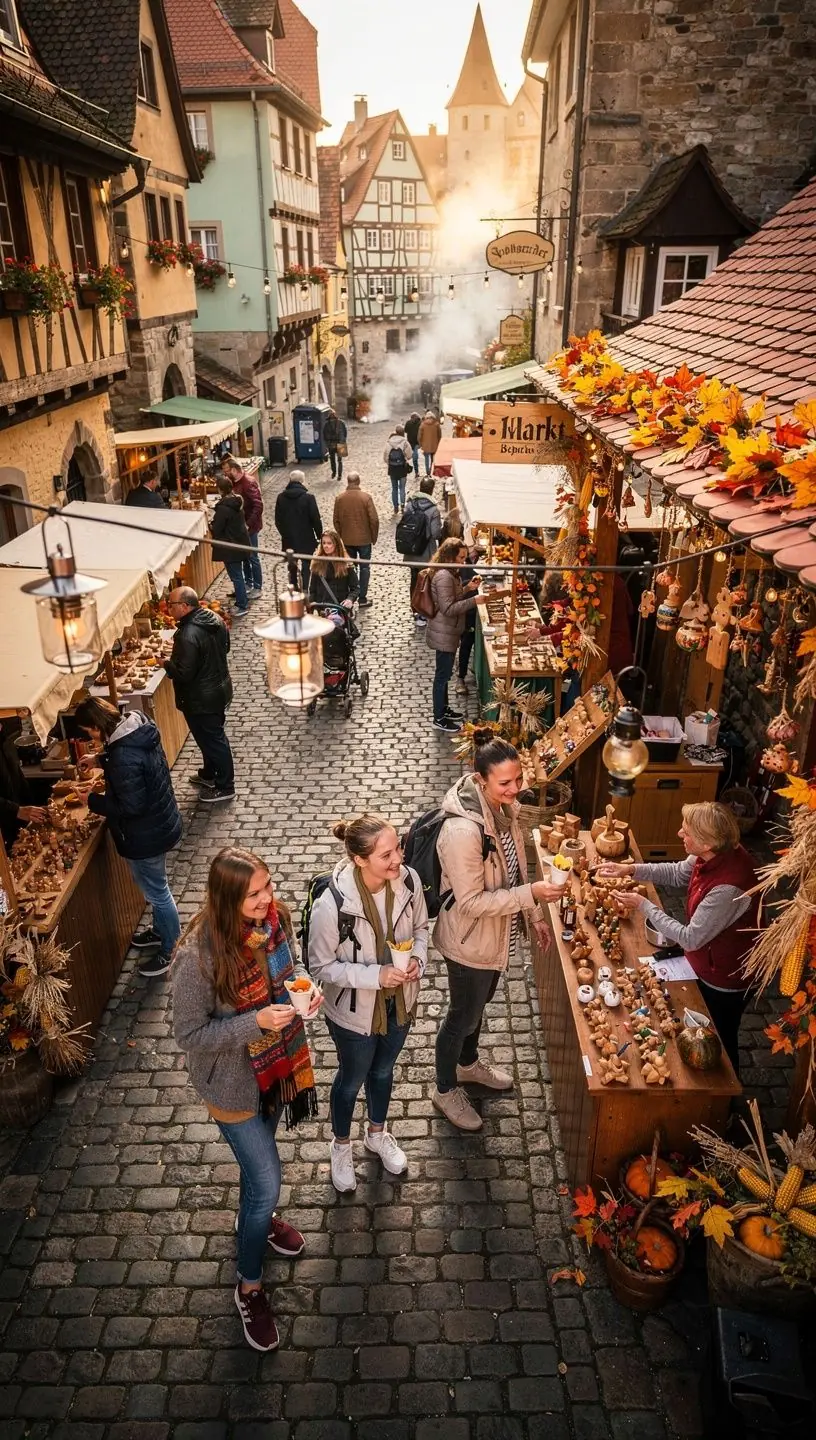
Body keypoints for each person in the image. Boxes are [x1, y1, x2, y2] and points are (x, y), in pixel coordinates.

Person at [172, 846, 321, 1352]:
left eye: (269, 887)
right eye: (254, 894)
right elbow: (190, 1035)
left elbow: (291, 971)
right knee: (267, 1178)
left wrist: (306, 993)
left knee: (256, 1183)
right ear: (227, 897)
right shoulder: (198, 957)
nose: (267, 899)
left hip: (275, 1070)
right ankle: (249, 1286)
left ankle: (253, 1220)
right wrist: (253, 1022)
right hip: (232, 1085)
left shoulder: (275, 921)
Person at [432, 738, 561, 1130]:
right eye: (505, 782)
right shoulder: (462, 832)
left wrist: (534, 914)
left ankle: (467, 1065)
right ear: (480, 780)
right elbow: (470, 902)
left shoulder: (504, 810)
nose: (516, 787)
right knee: (462, 1016)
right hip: (469, 939)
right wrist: (532, 895)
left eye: (518, 778)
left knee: (479, 1006)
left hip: (494, 936)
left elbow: (516, 869)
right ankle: (444, 1088)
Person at [308, 815, 428, 1192]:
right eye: (386, 854)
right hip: (353, 1014)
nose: (398, 860)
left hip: (400, 1003)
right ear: (360, 860)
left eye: (398, 849)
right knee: (351, 1080)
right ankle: (341, 1145)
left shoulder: (409, 881)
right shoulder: (333, 904)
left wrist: (418, 962)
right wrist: (376, 977)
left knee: (383, 1072)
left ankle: (377, 1134)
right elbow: (321, 966)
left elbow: (423, 928)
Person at [598, 802, 759, 1075]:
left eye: (686, 833)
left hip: (724, 976)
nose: (679, 835)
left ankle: (726, 1101)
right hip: (703, 959)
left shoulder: (727, 888)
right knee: (697, 1030)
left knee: (719, 1038)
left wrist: (644, 905)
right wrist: (631, 870)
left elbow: (690, 938)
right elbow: (676, 873)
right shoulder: (711, 853)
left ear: (707, 843)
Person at [74, 698, 182, 979]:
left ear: (98, 726)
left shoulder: (123, 755)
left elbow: (131, 806)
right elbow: (126, 759)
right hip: (158, 822)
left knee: (158, 893)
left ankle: (172, 950)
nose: (90, 738)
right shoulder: (136, 727)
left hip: (146, 832)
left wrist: (93, 800)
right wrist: (97, 758)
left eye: (89, 732)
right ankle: (161, 932)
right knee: (156, 888)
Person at [164, 586, 235, 803]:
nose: (169, 608)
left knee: (213, 739)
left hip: (201, 697)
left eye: (172, 604)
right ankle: (209, 773)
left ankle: (225, 786)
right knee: (207, 737)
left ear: (185, 606)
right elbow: (226, 648)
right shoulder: (213, 618)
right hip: (217, 690)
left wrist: (166, 663)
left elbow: (184, 674)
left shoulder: (187, 634)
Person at [426, 537, 479, 732]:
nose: (464, 561)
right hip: (444, 632)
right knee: (442, 675)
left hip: (448, 631)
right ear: (450, 556)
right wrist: (475, 601)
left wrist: (468, 589)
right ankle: (439, 717)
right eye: (461, 557)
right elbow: (448, 608)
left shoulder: (449, 573)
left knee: (445, 673)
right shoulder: (444, 576)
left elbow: (451, 597)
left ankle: (444, 709)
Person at [332, 470, 379, 608]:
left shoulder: (340, 498)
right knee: (364, 568)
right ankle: (362, 598)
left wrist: (341, 535)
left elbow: (336, 520)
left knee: (350, 569)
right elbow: (374, 520)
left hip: (347, 540)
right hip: (364, 540)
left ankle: (350, 598)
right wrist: (373, 536)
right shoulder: (366, 498)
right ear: (358, 482)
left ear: (348, 482)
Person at [0, 719, 47, 846]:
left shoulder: (5, 742)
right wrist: (16, 810)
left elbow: (17, 778)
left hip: (20, 825)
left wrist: (33, 806)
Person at [222, 457, 264, 599]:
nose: (226, 473)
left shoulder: (248, 482)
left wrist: (248, 524)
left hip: (249, 528)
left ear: (234, 470)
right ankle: (248, 584)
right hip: (242, 528)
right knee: (245, 557)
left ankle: (257, 586)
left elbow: (258, 506)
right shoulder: (236, 482)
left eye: (227, 471)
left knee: (253, 557)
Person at [274, 470, 323, 590]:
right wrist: (319, 535)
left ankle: (294, 585)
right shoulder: (309, 498)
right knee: (307, 564)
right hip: (306, 537)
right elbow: (315, 519)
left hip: (289, 538)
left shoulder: (281, 498)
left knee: (292, 564)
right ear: (302, 481)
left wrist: (284, 533)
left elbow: (278, 520)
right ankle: (306, 587)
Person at [211, 476, 252, 617]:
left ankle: (242, 605)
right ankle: (241, 601)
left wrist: (211, 524)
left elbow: (217, 528)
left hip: (230, 546)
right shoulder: (237, 500)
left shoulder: (224, 508)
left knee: (236, 576)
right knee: (237, 575)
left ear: (220, 489)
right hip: (239, 542)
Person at [401, 476, 441, 617]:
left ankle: (414, 607)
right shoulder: (433, 509)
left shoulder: (410, 504)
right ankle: (423, 608)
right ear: (431, 489)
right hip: (426, 552)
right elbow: (436, 534)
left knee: (414, 578)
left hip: (411, 549)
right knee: (425, 581)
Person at [308, 530, 360, 609]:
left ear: (336, 545)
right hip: (322, 609)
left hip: (340, 608)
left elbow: (355, 588)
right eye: (324, 543)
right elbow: (312, 589)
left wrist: (350, 600)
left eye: (329, 543)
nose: (326, 546)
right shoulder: (317, 562)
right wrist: (312, 603)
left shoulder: (346, 563)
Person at [383, 425, 413, 515]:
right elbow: (409, 455)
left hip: (392, 468)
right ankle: (403, 506)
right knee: (402, 488)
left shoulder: (389, 442)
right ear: (403, 432)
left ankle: (395, 507)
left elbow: (385, 456)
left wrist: (390, 463)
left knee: (394, 488)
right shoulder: (405, 442)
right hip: (402, 468)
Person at [323, 408, 348, 481]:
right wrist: (343, 441)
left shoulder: (326, 425)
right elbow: (345, 433)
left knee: (332, 460)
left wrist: (327, 444)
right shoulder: (342, 423)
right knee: (340, 460)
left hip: (331, 444)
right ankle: (339, 475)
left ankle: (334, 473)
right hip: (341, 443)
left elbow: (324, 436)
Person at [418, 410, 442, 477]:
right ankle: (431, 470)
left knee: (426, 459)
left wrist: (420, 444)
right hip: (434, 445)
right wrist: (438, 443)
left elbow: (419, 436)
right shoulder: (437, 424)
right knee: (432, 459)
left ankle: (427, 472)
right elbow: (439, 435)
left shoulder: (422, 425)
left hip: (425, 446)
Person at [404, 411, 422, 477]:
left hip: (411, 442)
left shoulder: (408, 423)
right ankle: (416, 472)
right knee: (414, 457)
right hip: (416, 442)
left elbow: (405, 430)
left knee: (412, 457)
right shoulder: (420, 423)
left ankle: (416, 472)